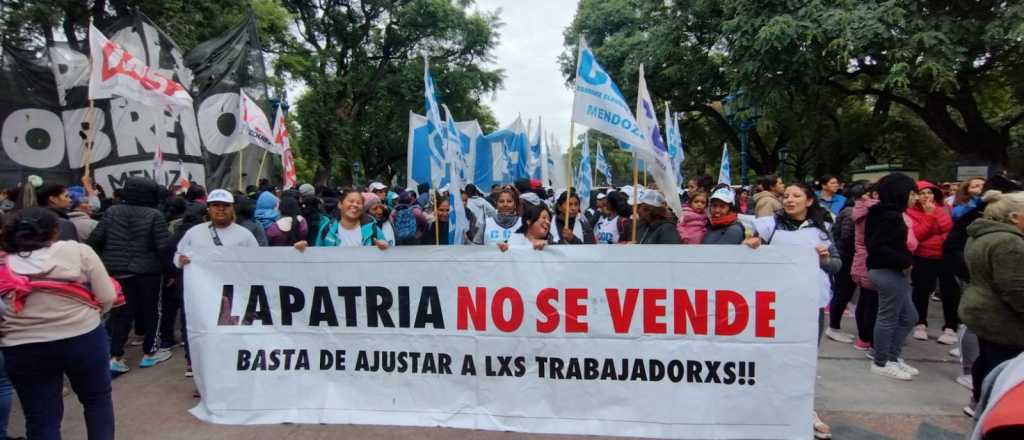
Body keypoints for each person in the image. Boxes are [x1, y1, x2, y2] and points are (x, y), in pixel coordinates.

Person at [0, 207, 118, 440]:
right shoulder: (78, 252)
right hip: (84, 337)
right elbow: (107, 296)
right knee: (97, 400)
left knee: (41, 417)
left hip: (23, 347)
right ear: (54, 231)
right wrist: (95, 314)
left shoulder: (4, 263)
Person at [743, 182, 841, 440]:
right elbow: (747, 251)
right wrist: (752, 245)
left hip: (810, 303)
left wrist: (825, 260)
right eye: (786, 195)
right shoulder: (770, 226)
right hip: (775, 304)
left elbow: (837, 265)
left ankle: (805, 411)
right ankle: (766, 409)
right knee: (770, 356)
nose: (789, 200)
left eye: (796, 196)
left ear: (809, 201)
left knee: (804, 359)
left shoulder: (823, 229)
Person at [87, 177, 172, 374]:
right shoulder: (155, 215)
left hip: (117, 271)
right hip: (149, 272)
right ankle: (150, 352)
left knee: (121, 313)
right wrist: (170, 271)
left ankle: (115, 356)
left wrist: (104, 264)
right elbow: (163, 247)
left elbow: (94, 240)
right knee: (152, 311)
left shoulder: (112, 212)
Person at [960, 190, 1024, 405]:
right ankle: (989, 406)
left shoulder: (984, 234)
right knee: (1002, 367)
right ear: (1014, 217)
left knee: (987, 359)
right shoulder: (1010, 242)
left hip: (983, 308)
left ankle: (978, 402)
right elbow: (1016, 289)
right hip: (1002, 317)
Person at [865, 173, 920, 381]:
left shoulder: (888, 213)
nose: (916, 198)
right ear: (900, 193)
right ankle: (881, 361)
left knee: (909, 317)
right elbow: (877, 246)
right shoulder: (889, 216)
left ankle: (892, 357)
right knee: (888, 317)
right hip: (886, 271)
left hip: (892, 270)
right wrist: (905, 261)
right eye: (912, 194)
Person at [905, 180, 958, 344]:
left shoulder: (943, 208)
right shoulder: (909, 212)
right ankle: (920, 323)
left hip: (945, 255)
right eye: (922, 193)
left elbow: (946, 227)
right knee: (921, 290)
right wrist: (929, 216)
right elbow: (919, 234)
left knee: (950, 291)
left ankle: (950, 326)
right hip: (923, 255)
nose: (926, 196)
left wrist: (934, 214)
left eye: (929, 193)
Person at [825, 180, 870, 344]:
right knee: (842, 293)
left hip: (850, 257)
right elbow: (847, 237)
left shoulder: (853, 210)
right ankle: (833, 328)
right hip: (846, 258)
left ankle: (835, 327)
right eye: (868, 193)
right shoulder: (852, 211)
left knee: (845, 293)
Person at [850, 183, 880, 350]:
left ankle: (863, 338)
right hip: (873, 260)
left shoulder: (860, 209)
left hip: (861, 258)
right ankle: (870, 339)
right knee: (873, 303)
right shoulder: (876, 211)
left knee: (865, 299)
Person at [313, 189, 389, 249]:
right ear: (340, 205)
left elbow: (385, 257)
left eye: (358, 203)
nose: (355, 205)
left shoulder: (373, 230)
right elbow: (317, 256)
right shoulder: (327, 229)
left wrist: (385, 246)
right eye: (351, 201)